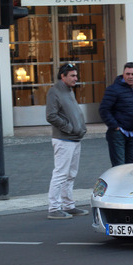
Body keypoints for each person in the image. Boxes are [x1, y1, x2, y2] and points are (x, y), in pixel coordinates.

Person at [45, 63, 88, 220]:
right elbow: (51, 115)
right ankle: (54, 208)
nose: (75, 78)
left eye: (76, 75)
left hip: (74, 139)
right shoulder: (55, 92)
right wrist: (70, 128)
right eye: (72, 75)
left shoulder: (69, 91)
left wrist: (79, 128)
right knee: (61, 174)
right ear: (62, 76)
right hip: (64, 139)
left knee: (71, 174)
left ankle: (68, 205)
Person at [99, 62, 133, 167]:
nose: (130, 77)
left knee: (132, 166)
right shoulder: (113, 89)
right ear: (123, 74)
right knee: (119, 167)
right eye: (127, 74)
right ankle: (117, 183)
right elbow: (104, 110)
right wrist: (115, 126)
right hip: (117, 134)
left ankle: (130, 184)